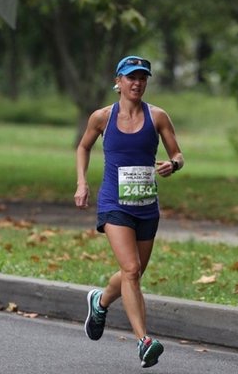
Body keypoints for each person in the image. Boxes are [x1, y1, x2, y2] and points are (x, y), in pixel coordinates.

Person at [74, 55, 184, 368]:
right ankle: (143, 341)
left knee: (131, 273)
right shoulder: (102, 117)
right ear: (118, 81)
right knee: (131, 269)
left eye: (142, 78)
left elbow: (177, 153)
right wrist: (82, 183)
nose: (137, 83)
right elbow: (83, 147)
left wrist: (173, 164)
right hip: (113, 203)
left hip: (147, 206)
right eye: (131, 77)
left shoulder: (158, 116)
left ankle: (100, 301)